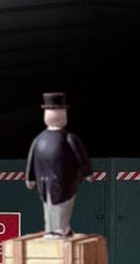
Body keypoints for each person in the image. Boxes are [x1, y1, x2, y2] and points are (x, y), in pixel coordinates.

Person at [25, 91, 92, 238]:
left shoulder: (39, 139)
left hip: (47, 182)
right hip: (64, 181)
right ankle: (57, 230)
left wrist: (30, 179)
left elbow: (31, 160)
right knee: (58, 207)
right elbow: (82, 158)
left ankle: (54, 229)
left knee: (52, 207)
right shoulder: (69, 138)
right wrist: (87, 173)